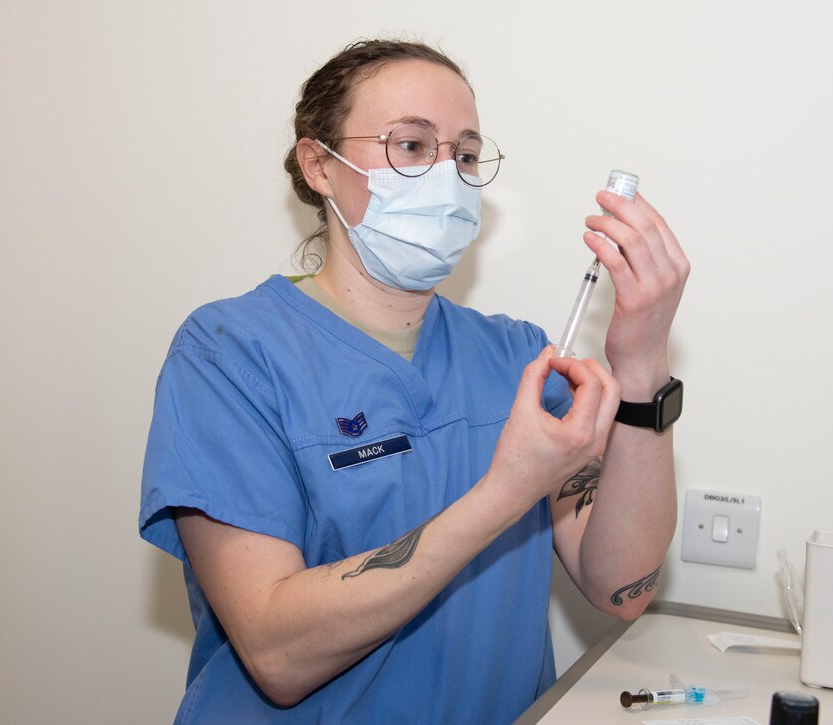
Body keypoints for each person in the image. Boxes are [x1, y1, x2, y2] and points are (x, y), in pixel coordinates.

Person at [139, 39, 689, 724]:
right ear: (319, 165)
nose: (446, 177)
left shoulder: (516, 357)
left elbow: (622, 588)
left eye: (462, 154)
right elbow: (277, 653)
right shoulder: (229, 356)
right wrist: (507, 489)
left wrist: (641, 366)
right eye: (409, 145)